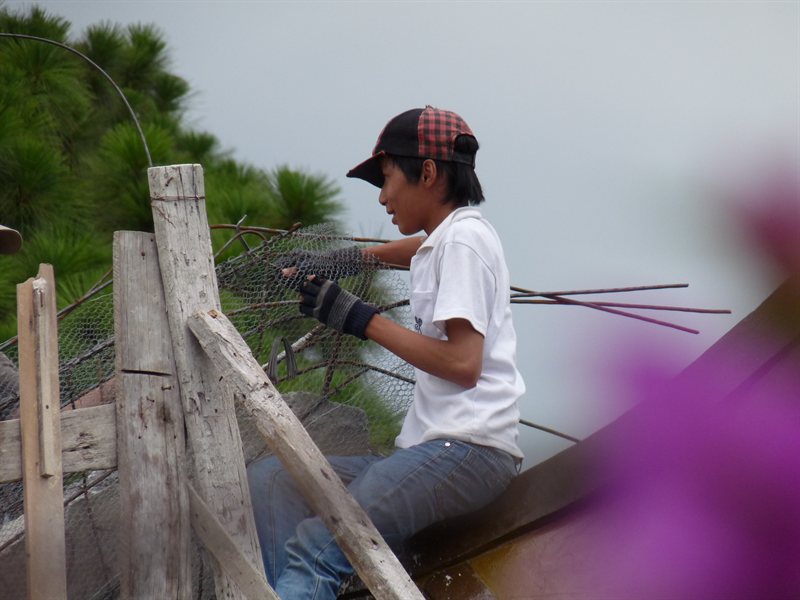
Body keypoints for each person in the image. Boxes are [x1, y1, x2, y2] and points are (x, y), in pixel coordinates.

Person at [247, 106, 525, 599]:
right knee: (273, 481)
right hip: (430, 451)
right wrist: (344, 259)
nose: (382, 197)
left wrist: (360, 318)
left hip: (467, 449)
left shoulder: (465, 239)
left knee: (320, 543)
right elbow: (419, 248)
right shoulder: (448, 239)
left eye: (388, 177)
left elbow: (464, 365)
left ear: (429, 173)